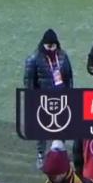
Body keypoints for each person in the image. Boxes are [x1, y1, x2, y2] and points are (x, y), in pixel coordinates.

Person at [24, 28, 74, 168]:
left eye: (54, 45)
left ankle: (60, 154)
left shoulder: (63, 56)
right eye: (48, 46)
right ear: (43, 44)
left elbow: (69, 77)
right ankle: (41, 155)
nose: (51, 48)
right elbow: (29, 81)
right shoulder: (34, 58)